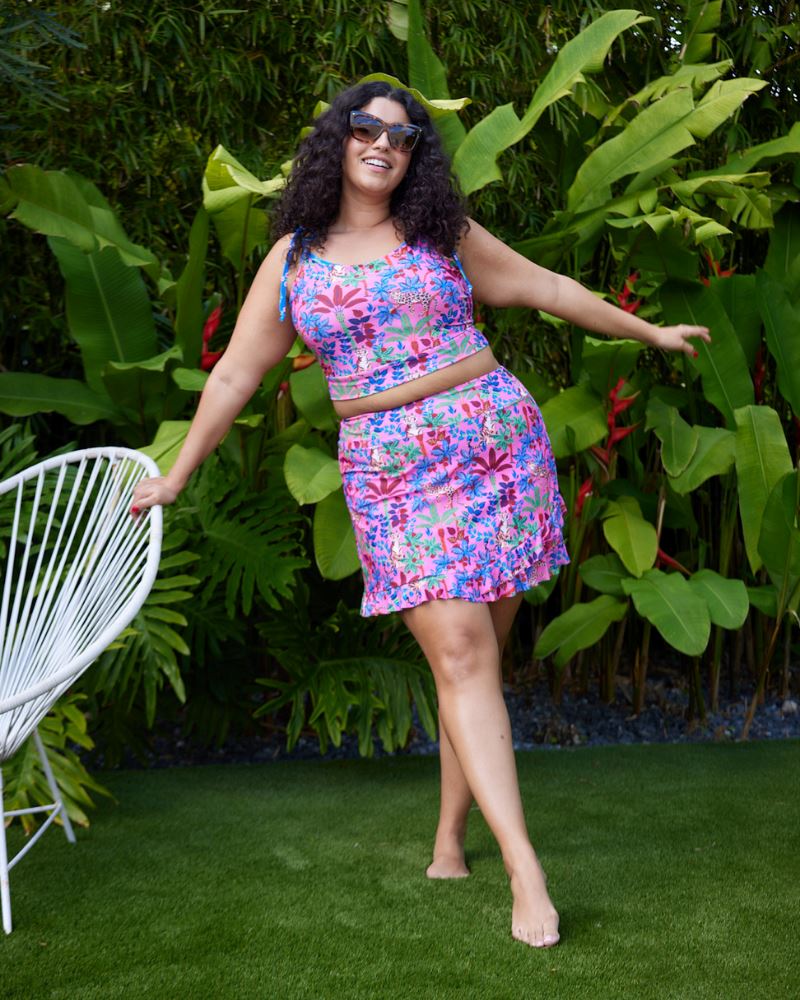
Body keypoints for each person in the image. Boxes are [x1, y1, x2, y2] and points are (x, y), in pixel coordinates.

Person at [131, 80, 710, 949]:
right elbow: (232, 377)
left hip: (496, 444)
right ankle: (524, 867)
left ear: (414, 158)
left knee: (473, 664)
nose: (382, 146)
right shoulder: (292, 260)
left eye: (401, 139)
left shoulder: (442, 232)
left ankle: (449, 841)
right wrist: (177, 475)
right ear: (339, 141)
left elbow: (546, 286)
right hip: (394, 473)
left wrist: (649, 334)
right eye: (366, 130)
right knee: (461, 653)